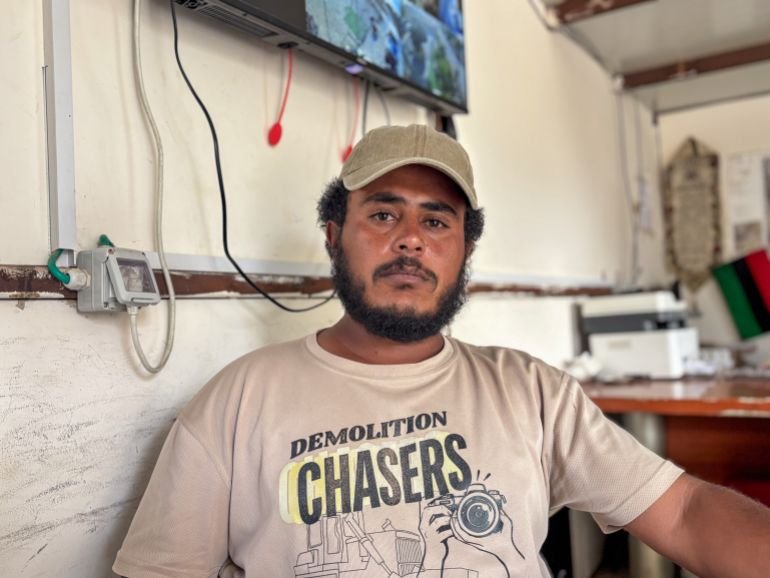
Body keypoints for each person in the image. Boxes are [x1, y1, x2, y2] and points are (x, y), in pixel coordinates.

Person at [114, 124, 770, 578]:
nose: (410, 240)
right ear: (333, 235)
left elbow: (684, 513)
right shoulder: (236, 403)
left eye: (436, 220)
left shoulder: (532, 392)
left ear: (463, 251)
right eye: (382, 213)